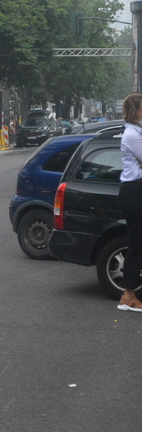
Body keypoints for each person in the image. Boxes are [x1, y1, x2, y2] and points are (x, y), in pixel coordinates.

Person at [116, 93, 142, 311]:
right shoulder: (132, 134)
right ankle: (128, 296)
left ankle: (129, 294)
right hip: (134, 191)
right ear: (136, 111)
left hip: (136, 189)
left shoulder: (137, 132)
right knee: (137, 242)